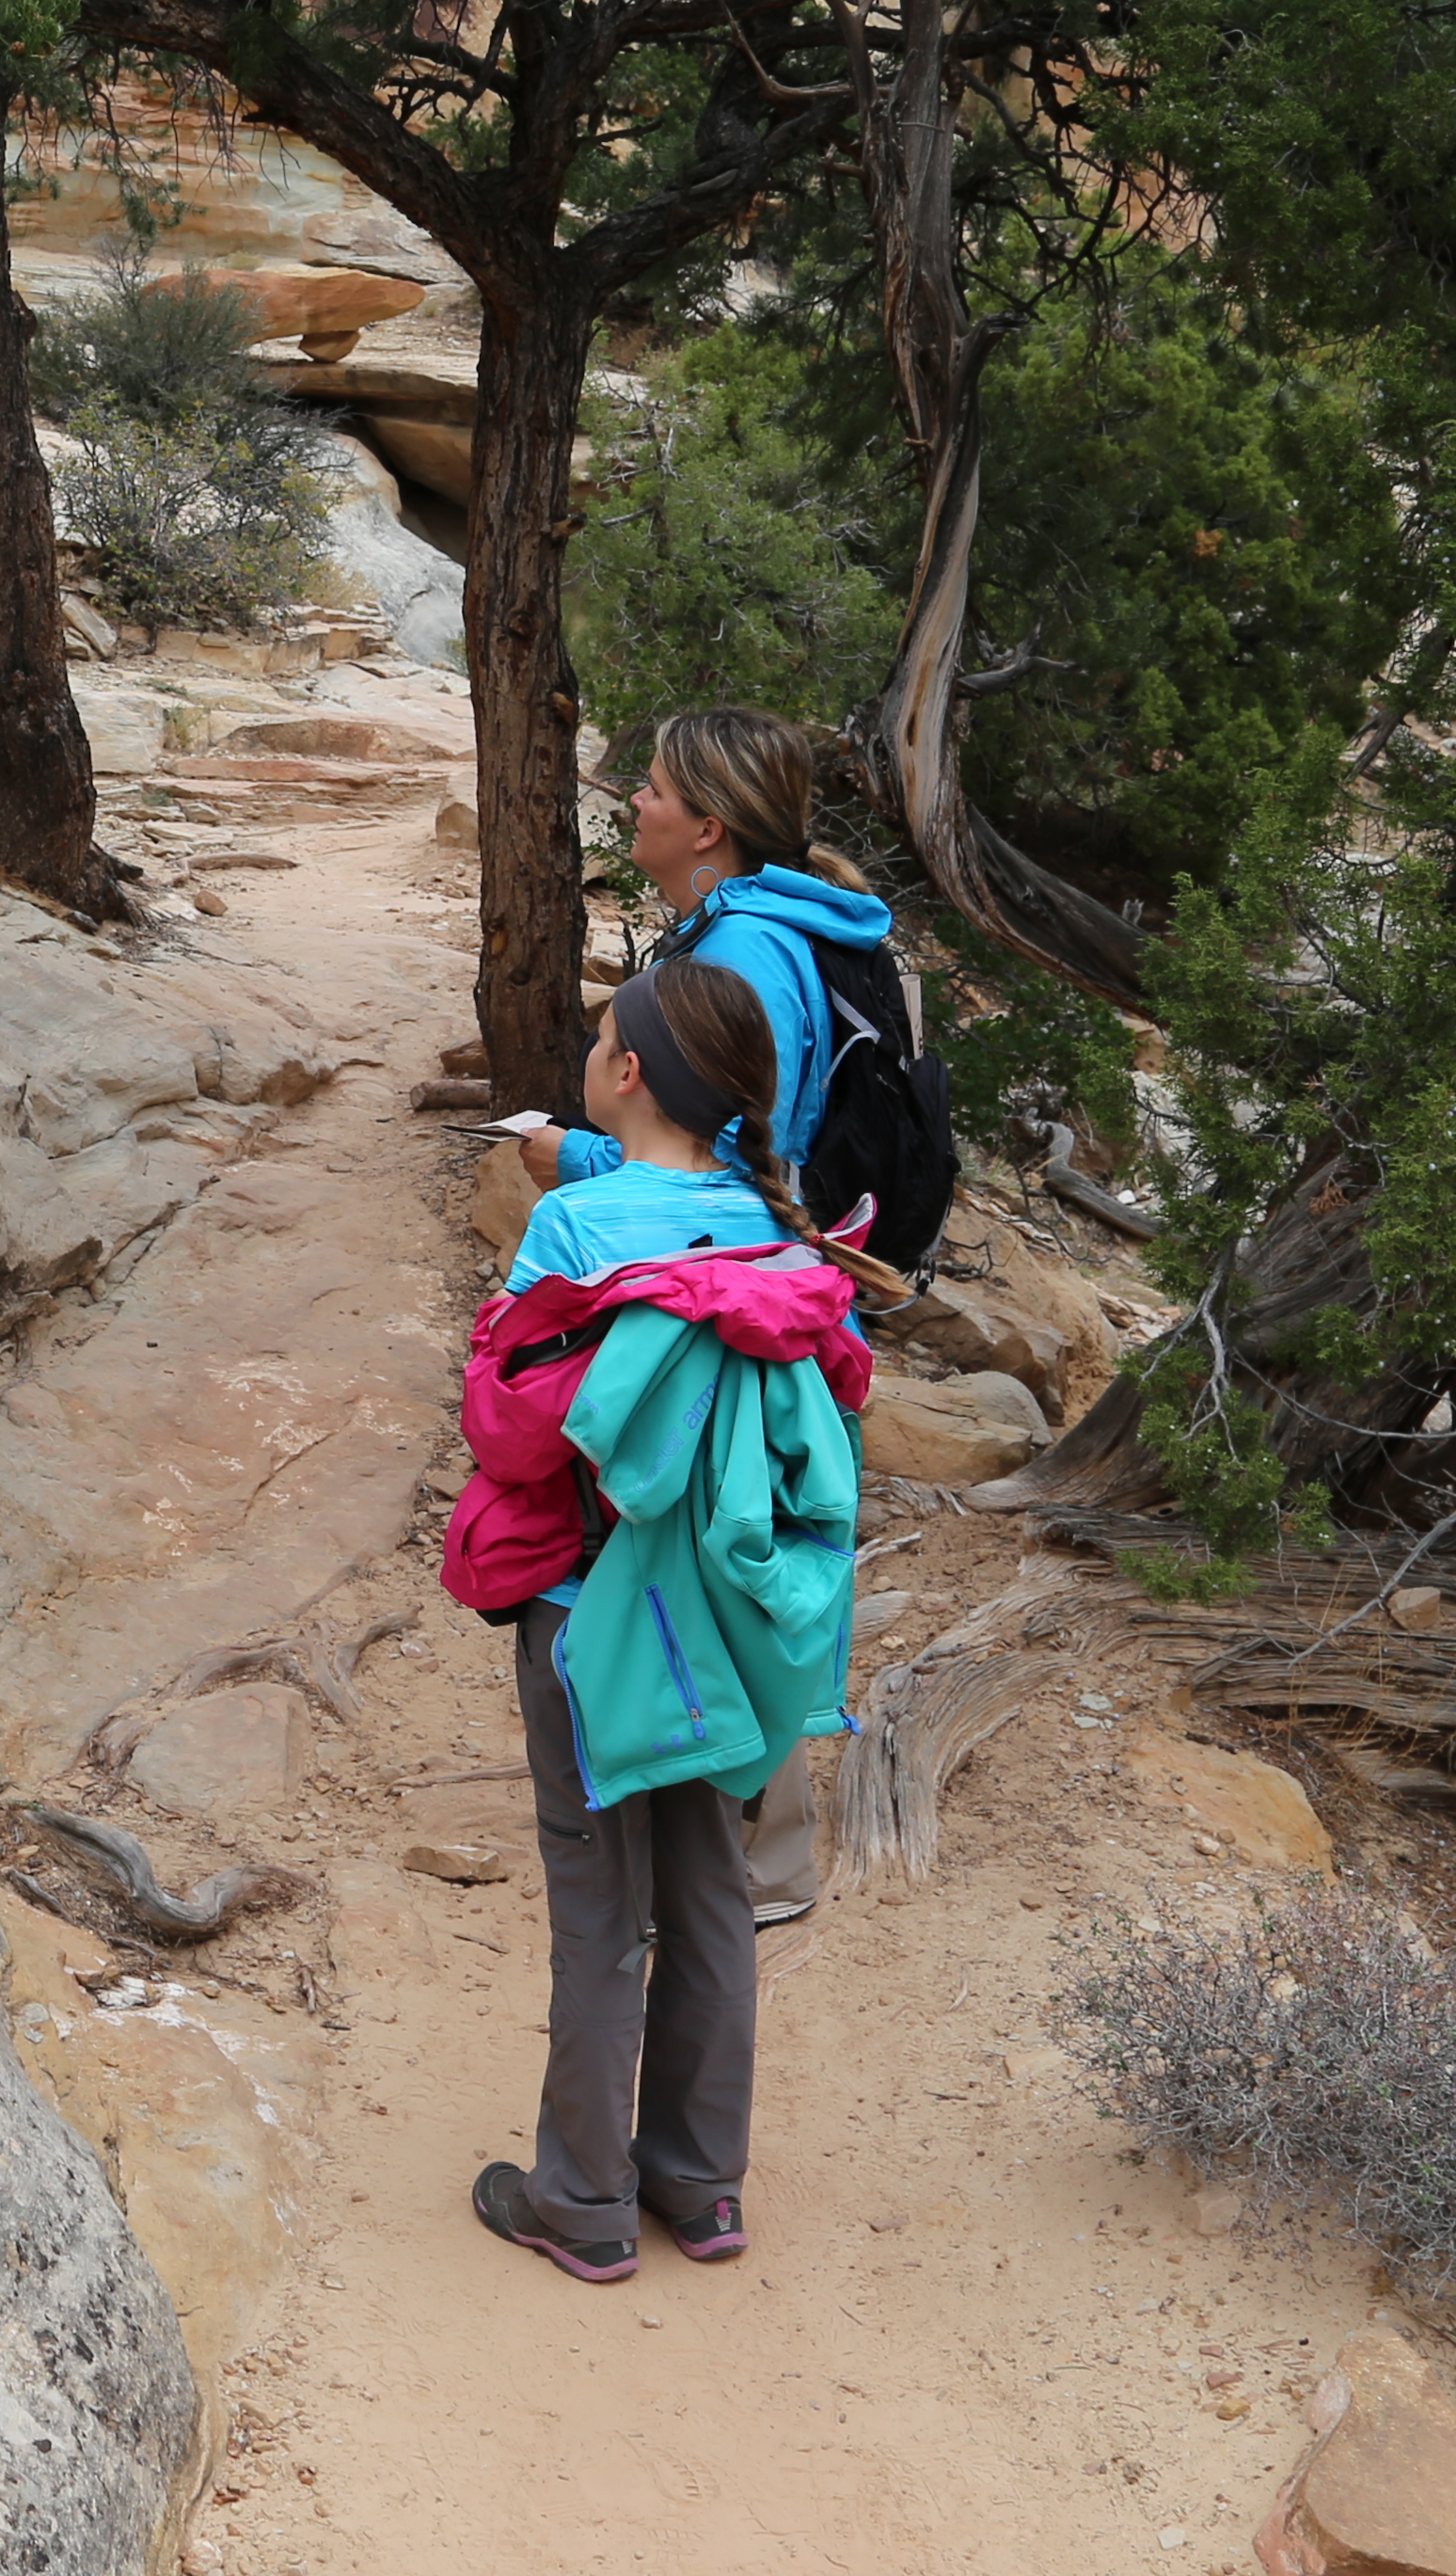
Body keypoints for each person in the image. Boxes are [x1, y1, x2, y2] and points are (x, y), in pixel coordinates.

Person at [444, 959, 865, 2287]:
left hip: (592, 1615)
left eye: (602, 1037)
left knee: (596, 1905)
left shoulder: (573, 1235)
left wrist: (559, 1184)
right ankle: (702, 2183)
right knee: (711, 1895)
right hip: (730, 1625)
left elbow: (513, 1425)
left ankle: (579, 2198)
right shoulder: (774, 1234)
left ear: (624, 1076)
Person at [513, 707, 894, 1930]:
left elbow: (725, 1159)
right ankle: (732, 1844)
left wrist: (576, 1161)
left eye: (657, 790)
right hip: (763, 1286)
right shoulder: (756, 931)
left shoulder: (746, 952)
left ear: (708, 825)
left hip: (739, 1303)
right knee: (728, 1538)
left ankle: (753, 1862)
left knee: (726, 1542)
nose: (636, 805)